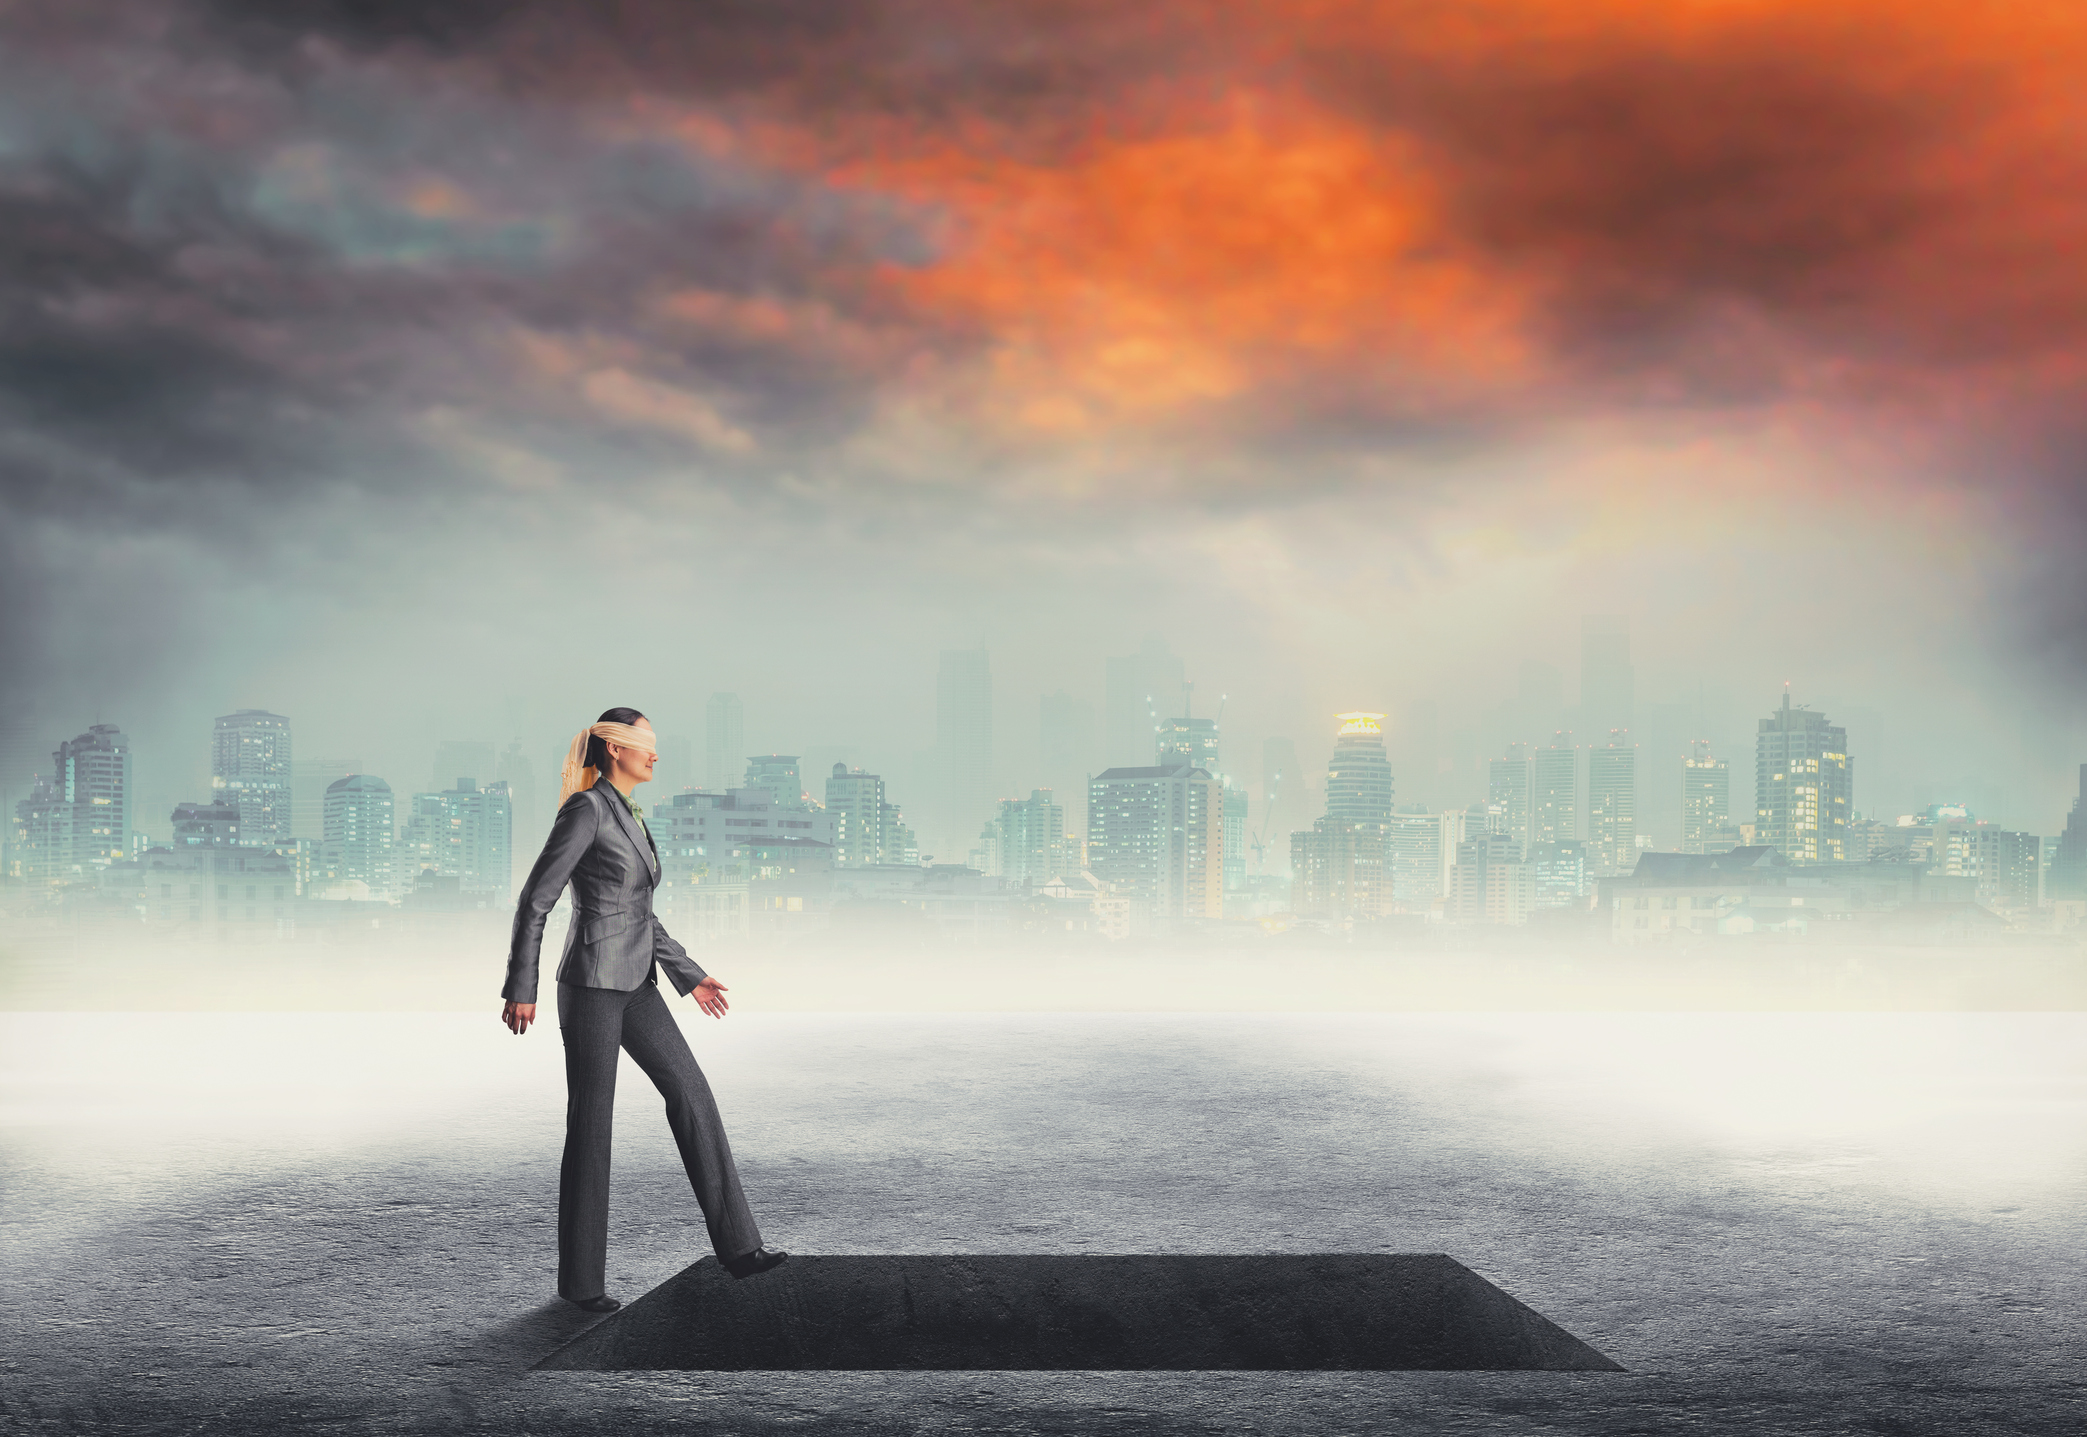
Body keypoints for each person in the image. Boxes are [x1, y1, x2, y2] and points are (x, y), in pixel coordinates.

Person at [500, 707, 787, 1313]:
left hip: (637, 985)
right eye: (644, 742)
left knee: (691, 1091)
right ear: (614, 748)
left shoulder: (628, 814)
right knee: (592, 1124)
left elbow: (638, 913)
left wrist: (690, 974)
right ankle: (581, 1286)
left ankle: (740, 1248)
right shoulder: (586, 810)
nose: (655, 753)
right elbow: (535, 900)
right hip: (591, 986)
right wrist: (520, 985)